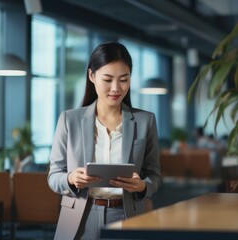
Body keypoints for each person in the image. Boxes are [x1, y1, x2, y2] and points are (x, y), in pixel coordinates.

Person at [48, 42, 161, 240]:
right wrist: (71, 178)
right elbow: (54, 175)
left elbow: (154, 176)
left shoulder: (146, 121)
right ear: (92, 76)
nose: (116, 88)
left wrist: (142, 186)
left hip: (126, 215)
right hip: (80, 217)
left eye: (124, 80)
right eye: (107, 79)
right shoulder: (69, 120)